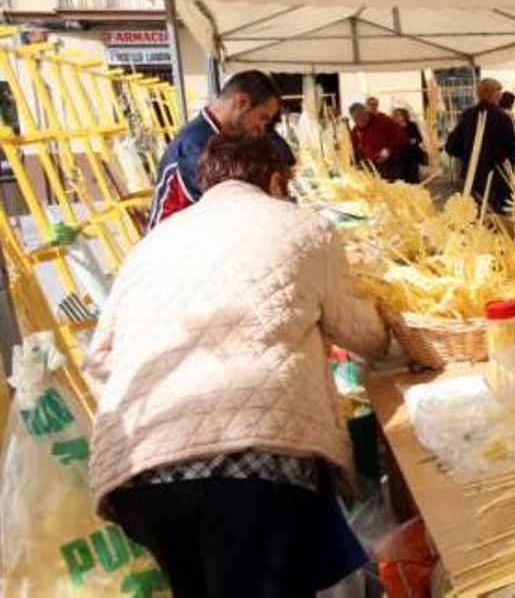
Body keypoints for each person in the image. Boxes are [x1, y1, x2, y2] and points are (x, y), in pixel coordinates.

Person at [87, 134, 389, 597]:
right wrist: (390, 316)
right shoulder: (303, 224)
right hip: (249, 464)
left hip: (139, 473)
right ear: (273, 179)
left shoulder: (154, 241)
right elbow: (360, 332)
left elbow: (100, 358)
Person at [148, 69, 280, 229]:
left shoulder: (218, 136)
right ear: (242, 102)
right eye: (262, 118)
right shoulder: (196, 143)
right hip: (170, 244)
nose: (261, 128)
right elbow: (229, 202)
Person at [445, 78, 515, 211]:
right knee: (497, 222)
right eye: (499, 92)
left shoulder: (468, 115)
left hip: (473, 177)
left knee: (474, 218)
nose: (501, 96)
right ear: (490, 93)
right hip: (497, 180)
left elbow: (451, 147)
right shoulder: (502, 118)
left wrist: (466, 154)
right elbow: (513, 151)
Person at [349, 102, 406, 182]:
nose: (360, 120)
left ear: (366, 112)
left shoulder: (382, 120)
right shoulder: (356, 130)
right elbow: (352, 147)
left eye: (362, 116)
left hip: (388, 165)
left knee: (389, 189)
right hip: (370, 167)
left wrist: (388, 150)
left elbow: (401, 136)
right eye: (356, 119)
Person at [392, 107, 427, 184]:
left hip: (412, 156)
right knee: (402, 178)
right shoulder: (393, 127)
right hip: (400, 156)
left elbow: (419, 138)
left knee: (414, 178)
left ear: (404, 115)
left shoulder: (412, 125)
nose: (397, 117)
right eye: (396, 115)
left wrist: (414, 140)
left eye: (399, 115)